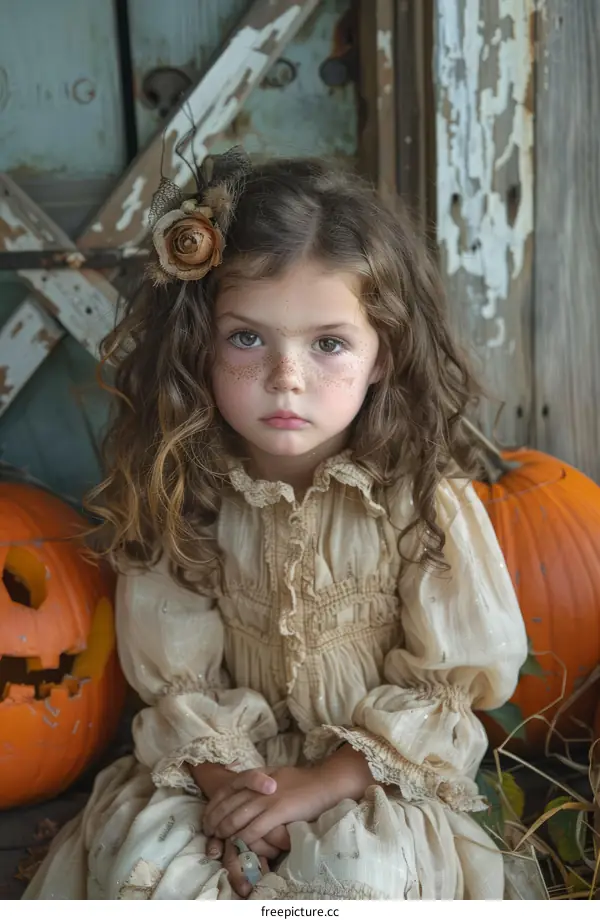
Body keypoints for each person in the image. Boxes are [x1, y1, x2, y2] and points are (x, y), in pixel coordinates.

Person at [24, 150, 527, 900]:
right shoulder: (185, 491)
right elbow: (176, 682)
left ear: (382, 353)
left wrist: (318, 785)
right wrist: (240, 793)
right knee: (152, 874)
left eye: (328, 343)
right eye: (248, 338)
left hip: (369, 777)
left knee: (362, 880)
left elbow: (443, 694)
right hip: (216, 767)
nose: (286, 376)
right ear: (200, 340)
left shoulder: (421, 501)